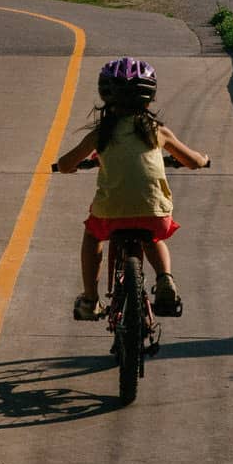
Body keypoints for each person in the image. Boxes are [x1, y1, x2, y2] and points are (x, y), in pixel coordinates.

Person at [55, 57, 209, 320]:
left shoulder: (101, 134)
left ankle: (91, 300)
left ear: (106, 97)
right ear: (148, 99)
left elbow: (66, 163)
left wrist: (66, 167)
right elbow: (193, 161)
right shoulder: (157, 131)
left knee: (92, 236)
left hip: (110, 214)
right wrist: (203, 159)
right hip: (155, 215)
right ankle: (165, 279)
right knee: (152, 237)